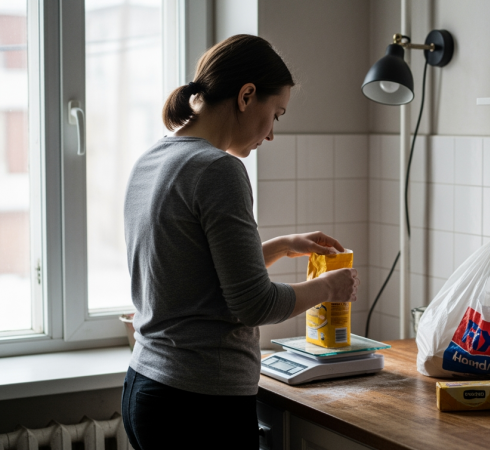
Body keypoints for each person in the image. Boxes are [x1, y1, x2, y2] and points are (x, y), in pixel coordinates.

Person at [120, 34, 359, 449]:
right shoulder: (218, 169)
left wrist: (283, 245)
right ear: (247, 95)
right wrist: (329, 288)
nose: (270, 135)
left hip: (147, 387)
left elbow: (193, 276)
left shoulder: (154, 159)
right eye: (277, 114)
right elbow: (254, 304)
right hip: (199, 404)